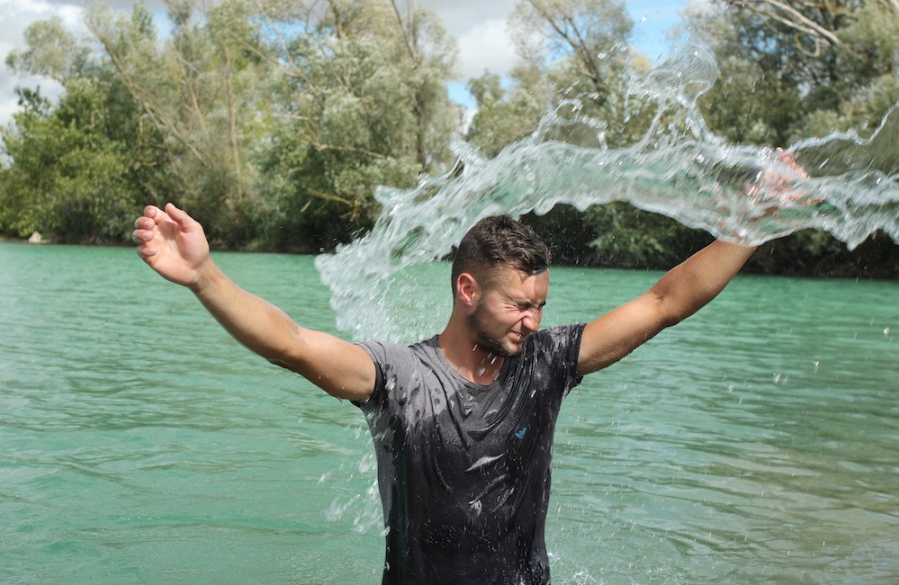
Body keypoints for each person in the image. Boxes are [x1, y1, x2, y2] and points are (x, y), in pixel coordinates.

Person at [133, 205, 756, 584]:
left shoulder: (545, 363)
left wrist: (756, 224)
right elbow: (293, 343)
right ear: (467, 290)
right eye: (518, 304)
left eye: (540, 306)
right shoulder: (399, 377)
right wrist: (203, 277)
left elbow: (663, 303)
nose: (532, 322)